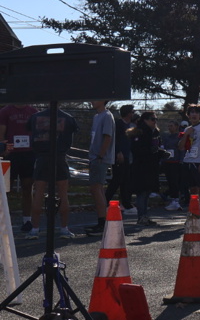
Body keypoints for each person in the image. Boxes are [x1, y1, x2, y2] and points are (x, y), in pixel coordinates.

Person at [24, 105, 79, 239]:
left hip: (42, 157)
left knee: (38, 193)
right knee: (63, 194)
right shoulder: (68, 118)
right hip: (60, 157)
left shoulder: (35, 117)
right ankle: (64, 229)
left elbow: (29, 130)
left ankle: (34, 229)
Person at [0, 102, 38, 228]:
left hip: (28, 154)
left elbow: (38, 132)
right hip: (11, 155)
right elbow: (1, 133)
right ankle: (4, 220)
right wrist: (3, 149)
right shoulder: (5, 111)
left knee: (27, 187)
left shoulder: (33, 112)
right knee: (5, 189)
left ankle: (27, 220)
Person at [86, 100, 116, 236]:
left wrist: (100, 155)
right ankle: (102, 221)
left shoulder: (107, 116)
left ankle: (102, 223)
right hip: (94, 157)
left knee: (96, 188)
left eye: (95, 98)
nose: (92, 101)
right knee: (97, 189)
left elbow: (107, 137)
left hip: (100, 158)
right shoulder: (96, 116)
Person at [130, 111, 165, 227]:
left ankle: (144, 215)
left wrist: (161, 153)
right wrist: (153, 152)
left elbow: (156, 146)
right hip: (141, 166)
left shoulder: (154, 132)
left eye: (156, 119)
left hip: (151, 166)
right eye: (152, 119)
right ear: (145, 120)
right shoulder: (140, 132)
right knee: (142, 192)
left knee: (147, 191)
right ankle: (141, 216)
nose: (155, 121)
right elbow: (137, 150)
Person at [105, 104, 135, 214]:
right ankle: (105, 201)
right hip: (119, 156)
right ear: (127, 113)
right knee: (117, 179)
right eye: (132, 112)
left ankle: (126, 203)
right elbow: (115, 139)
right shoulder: (118, 124)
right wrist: (118, 152)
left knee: (126, 180)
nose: (133, 114)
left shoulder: (131, 126)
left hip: (127, 155)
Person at [160, 119, 184, 211]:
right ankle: (172, 199)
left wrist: (181, 160)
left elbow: (181, 149)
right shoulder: (167, 137)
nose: (170, 128)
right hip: (167, 162)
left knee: (175, 181)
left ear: (176, 127)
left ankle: (176, 200)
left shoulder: (180, 137)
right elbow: (164, 148)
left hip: (176, 162)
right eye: (169, 126)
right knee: (170, 181)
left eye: (171, 126)